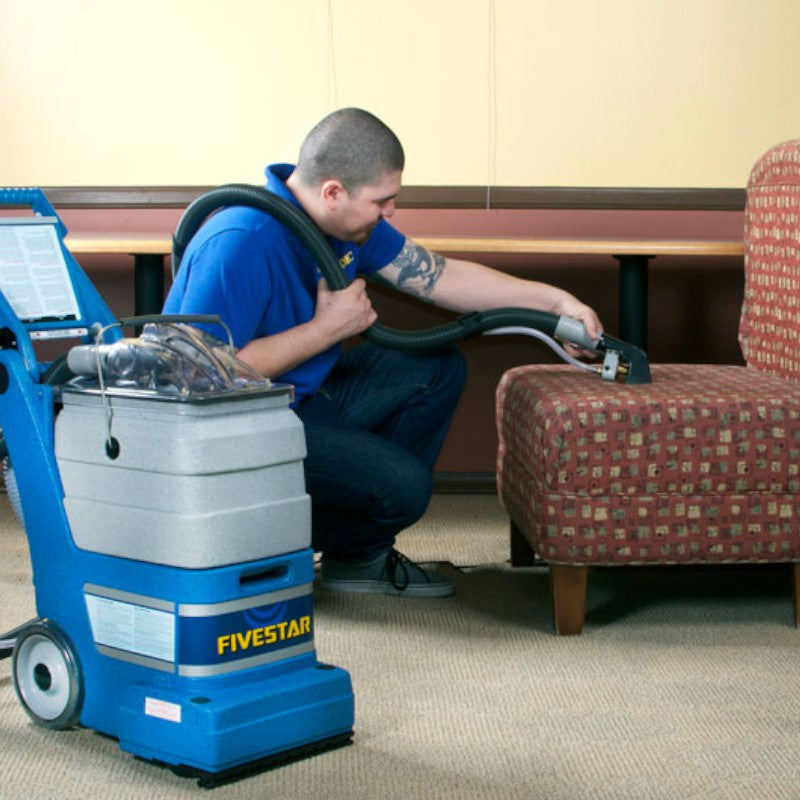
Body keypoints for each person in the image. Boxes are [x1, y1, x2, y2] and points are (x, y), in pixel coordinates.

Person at [164, 108, 603, 599]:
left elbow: (441, 277)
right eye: (383, 200)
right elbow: (194, 378)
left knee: (433, 367)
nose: (390, 211)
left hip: (303, 398)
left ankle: (359, 555)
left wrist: (555, 302)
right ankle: (258, 548)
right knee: (404, 489)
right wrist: (324, 330)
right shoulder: (243, 240)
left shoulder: (344, 226)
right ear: (333, 192)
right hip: (243, 429)